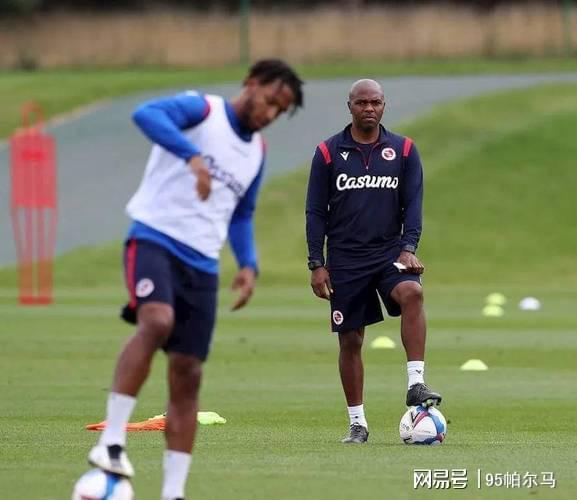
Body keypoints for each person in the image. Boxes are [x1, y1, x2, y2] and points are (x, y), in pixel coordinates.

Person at [86, 59, 303, 499]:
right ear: (251, 83)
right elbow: (146, 114)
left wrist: (248, 264)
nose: (269, 114)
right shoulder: (203, 110)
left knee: (188, 373)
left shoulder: (257, 152)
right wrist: (192, 156)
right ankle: (111, 442)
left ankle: (174, 492)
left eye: (280, 111)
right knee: (156, 321)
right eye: (269, 100)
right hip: (155, 238)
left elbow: (241, 213)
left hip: (203, 263)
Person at [305, 79, 441, 444]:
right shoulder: (328, 152)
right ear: (349, 106)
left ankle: (415, 383)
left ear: (384, 105)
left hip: (389, 253)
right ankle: (357, 423)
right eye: (362, 102)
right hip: (345, 259)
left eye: (376, 102)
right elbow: (315, 211)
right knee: (351, 340)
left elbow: (413, 205)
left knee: (412, 292)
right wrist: (316, 263)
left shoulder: (404, 150)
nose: (369, 108)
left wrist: (409, 247)